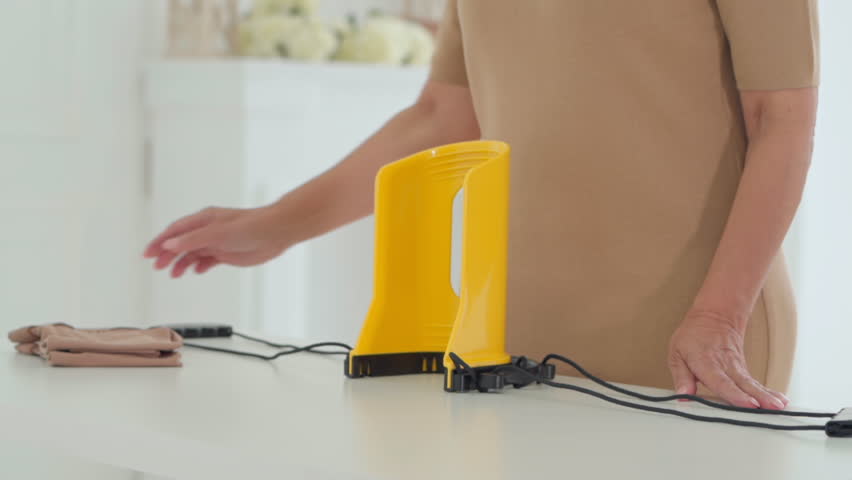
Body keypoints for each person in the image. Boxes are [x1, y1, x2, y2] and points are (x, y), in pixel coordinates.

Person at [145, 0, 819, 410]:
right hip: (520, 332)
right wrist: (276, 224)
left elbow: (782, 121)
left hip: (695, 338)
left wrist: (717, 315)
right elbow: (443, 112)